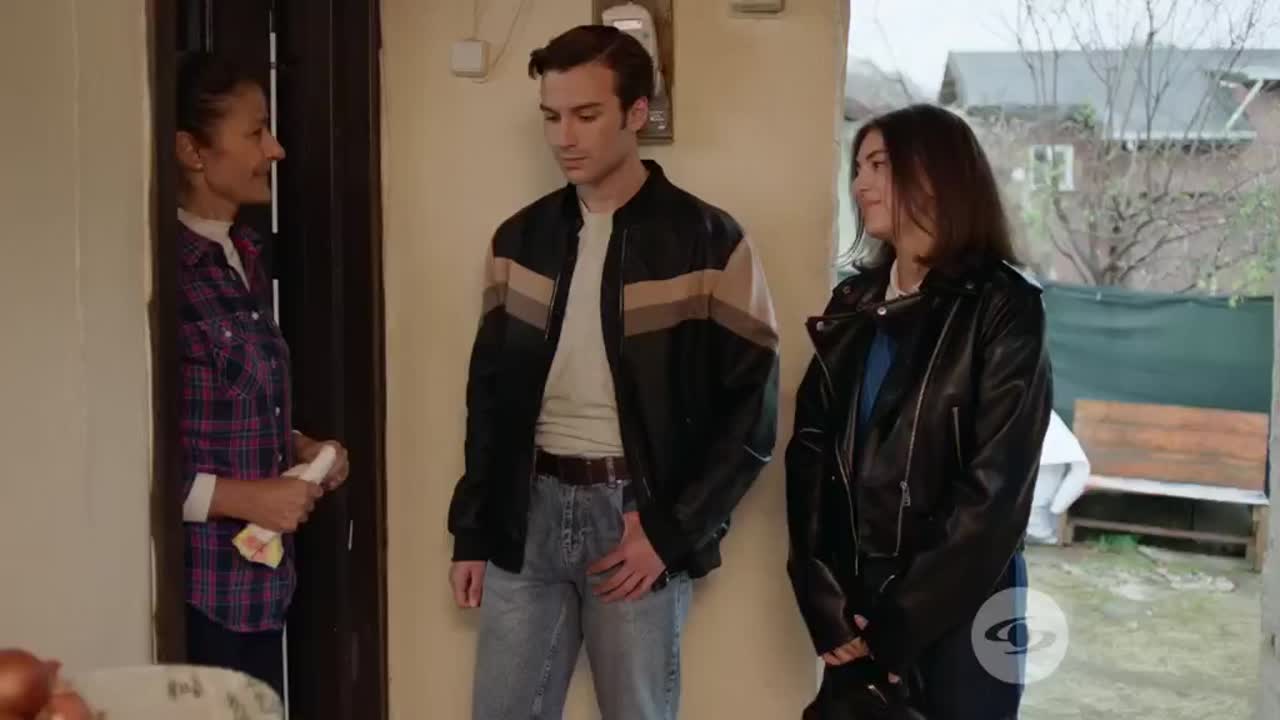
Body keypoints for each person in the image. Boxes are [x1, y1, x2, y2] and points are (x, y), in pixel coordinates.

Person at [446, 25, 779, 720]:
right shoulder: (518, 241)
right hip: (524, 514)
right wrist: (472, 529)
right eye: (551, 116)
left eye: (586, 115)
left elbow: (751, 416)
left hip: (634, 517)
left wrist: (671, 531)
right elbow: (488, 397)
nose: (564, 137)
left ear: (636, 113)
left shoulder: (711, 242)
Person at [786, 104, 1052, 720]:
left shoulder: (1005, 307)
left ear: (936, 175)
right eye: (858, 167)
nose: (860, 184)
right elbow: (811, 453)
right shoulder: (853, 301)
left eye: (879, 165)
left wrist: (898, 623)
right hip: (858, 606)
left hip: (967, 607)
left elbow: (996, 493)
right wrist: (822, 595)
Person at [176, 52, 350, 697]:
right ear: (193, 151)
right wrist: (245, 499)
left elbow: (221, 405)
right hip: (200, 595)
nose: (275, 149)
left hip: (260, 588)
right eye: (255, 132)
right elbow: (128, 461)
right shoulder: (163, 270)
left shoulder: (241, 253)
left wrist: (299, 449)